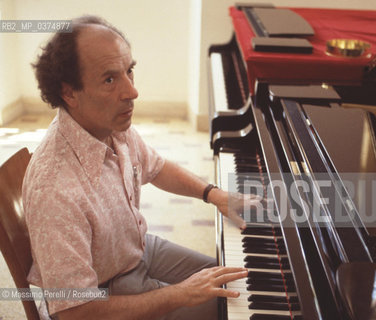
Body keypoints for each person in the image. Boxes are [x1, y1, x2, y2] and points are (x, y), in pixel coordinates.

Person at [23, 15, 258, 320]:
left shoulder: (109, 125)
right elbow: (74, 311)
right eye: (110, 80)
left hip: (136, 249)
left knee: (240, 283)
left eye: (129, 71)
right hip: (104, 293)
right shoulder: (54, 188)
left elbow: (156, 167)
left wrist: (215, 195)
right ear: (69, 93)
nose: (132, 92)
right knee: (229, 310)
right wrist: (178, 294)